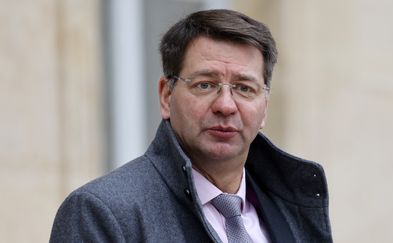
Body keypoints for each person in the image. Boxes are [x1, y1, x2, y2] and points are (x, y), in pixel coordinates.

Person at [50, 9, 332, 243]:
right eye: (205, 84)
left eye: (244, 88)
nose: (225, 105)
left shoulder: (292, 209)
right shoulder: (101, 213)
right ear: (166, 95)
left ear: (265, 108)